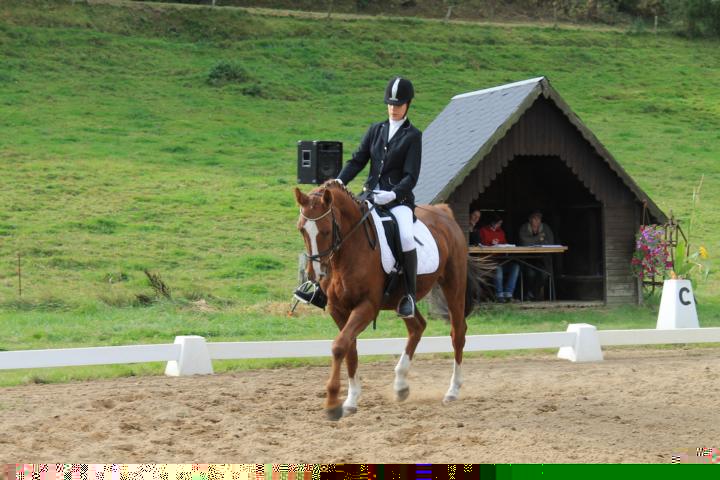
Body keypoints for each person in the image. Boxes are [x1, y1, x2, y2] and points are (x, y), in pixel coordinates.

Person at [295, 76, 422, 319]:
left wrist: (393, 193)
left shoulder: (413, 136)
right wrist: (339, 182)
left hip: (398, 202)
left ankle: (409, 296)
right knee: (337, 229)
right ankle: (319, 288)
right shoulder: (376, 130)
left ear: (408, 105)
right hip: (370, 196)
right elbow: (357, 160)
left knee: (406, 236)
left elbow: (411, 176)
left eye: (398, 104)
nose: (393, 108)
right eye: (390, 104)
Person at [479, 214, 519, 302]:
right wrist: (491, 244)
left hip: (501, 259)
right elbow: (481, 244)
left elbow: (504, 244)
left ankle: (508, 293)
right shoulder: (483, 230)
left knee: (515, 267)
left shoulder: (501, 231)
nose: (499, 225)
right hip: (489, 261)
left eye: (500, 224)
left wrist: (504, 247)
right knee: (498, 268)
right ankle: (499, 295)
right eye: (498, 223)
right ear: (492, 223)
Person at [518, 210, 555, 300]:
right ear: (530, 219)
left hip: (542, 258)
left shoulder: (545, 228)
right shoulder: (524, 228)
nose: (537, 221)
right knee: (530, 274)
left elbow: (550, 242)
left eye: (539, 219)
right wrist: (538, 238)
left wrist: (533, 240)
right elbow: (524, 242)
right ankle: (529, 294)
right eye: (535, 219)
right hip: (527, 258)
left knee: (544, 275)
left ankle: (532, 293)